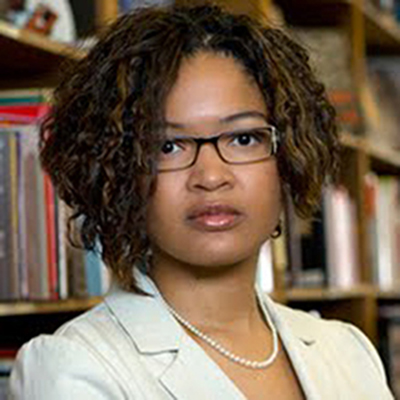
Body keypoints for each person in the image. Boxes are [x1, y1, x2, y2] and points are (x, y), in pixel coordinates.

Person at [9, 3, 393, 400]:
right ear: (121, 170)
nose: (211, 176)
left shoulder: (349, 351)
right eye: (169, 145)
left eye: (244, 139)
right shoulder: (73, 367)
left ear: (287, 155)